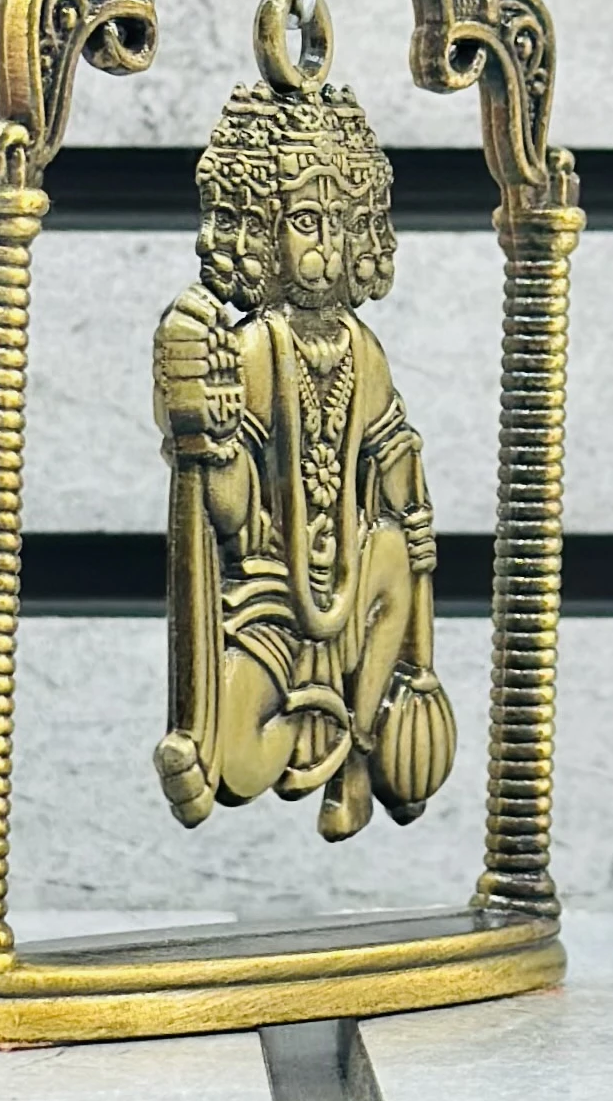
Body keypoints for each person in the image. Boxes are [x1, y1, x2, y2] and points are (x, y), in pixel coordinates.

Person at [153, 82, 453, 842]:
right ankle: (307, 739)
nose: (323, 248)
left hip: (353, 585)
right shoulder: (256, 349)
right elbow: (230, 512)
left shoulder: (363, 351)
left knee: (392, 555)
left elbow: (392, 449)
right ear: (260, 229)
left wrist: (412, 510)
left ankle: (356, 749)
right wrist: (209, 436)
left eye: (343, 223)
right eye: (304, 221)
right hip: (271, 597)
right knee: (237, 761)